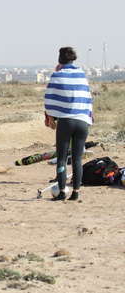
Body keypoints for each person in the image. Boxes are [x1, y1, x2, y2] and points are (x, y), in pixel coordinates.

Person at [44, 47, 93, 201]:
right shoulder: (81, 75)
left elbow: (49, 98)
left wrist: (51, 117)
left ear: (60, 59)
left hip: (66, 122)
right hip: (82, 121)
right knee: (77, 158)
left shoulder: (57, 75)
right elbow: (87, 98)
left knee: (62, 158)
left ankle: (62, 192)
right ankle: (76, 192)